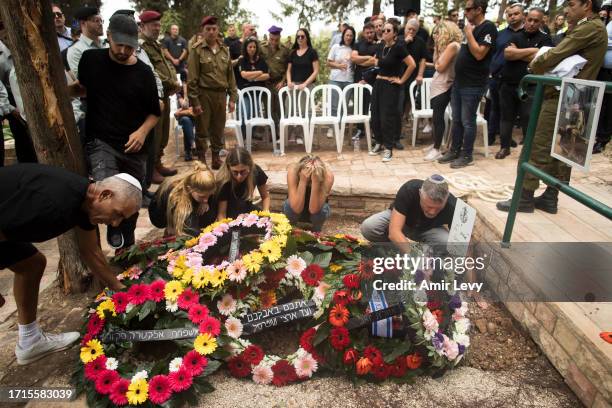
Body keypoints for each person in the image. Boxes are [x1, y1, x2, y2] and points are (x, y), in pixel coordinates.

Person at [0, 163, 140, 364]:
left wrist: (120, 289)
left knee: (32, 265)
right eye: (117, 214)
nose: (115, 223)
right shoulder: (53, 203)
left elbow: (90, 250)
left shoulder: (84, 201)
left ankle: (30, 341)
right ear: (105, 195)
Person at [497, 0, 607, 214]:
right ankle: (550, 197)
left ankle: (525, 196)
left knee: (540, 144)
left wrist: (536, 63)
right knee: (563, 150)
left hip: (563, 95)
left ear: (587, 5)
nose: (566, 9)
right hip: (577, 94)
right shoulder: (591, 27)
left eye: (572, 4)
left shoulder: (590, 27)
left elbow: (557, 53)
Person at [71, 14, 161, 249]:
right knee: (108, 189)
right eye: (118, 44)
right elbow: (83, 89)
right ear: (108, 37)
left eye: (129, 47)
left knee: (131, 198)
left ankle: (126, 241)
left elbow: (155, 112)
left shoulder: (143, 73)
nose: (123, 51)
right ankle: (106, 235)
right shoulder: (90, 60)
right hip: (101, 140)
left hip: (135, 146)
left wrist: (141, 132)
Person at [438, 0, 497, 168]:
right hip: (460, 82)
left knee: (467, 121)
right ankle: (454, 150)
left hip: (474, 84)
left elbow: (479, 54)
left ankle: (467, 155)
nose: (465, 12)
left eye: (468, 9)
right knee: (456, 119)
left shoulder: (488, 28)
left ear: (479, 9)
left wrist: (469, 34)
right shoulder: (471, 27)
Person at [496, 7, 552, 159]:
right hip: (508, 84)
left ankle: (527, 151)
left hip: (531, 87)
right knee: (506, 118)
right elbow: (508, 54)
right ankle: (504, 147)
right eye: (530, 20)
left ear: (542, 22)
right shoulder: (516, 35)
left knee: (529, 118)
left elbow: (542, 60)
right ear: (526, 18)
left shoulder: (546, 39)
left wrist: (518, 53)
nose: (532, 23)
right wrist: (533, 52)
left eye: (536, 21)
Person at [187, 16, 238, 169]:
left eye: (214, 29)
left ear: (217, 31)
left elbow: (231, 76)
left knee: (218, 128)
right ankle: (202, 159)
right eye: (208, 29)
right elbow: (192, 78)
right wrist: (194, 101)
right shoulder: (196, 50)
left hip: (221, 95)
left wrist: (232, 98)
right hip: (204, 94)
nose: (211, 32)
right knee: (202, 129)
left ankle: (216, 158)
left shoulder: (224, 50)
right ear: (202, 31)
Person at [139, 11, 180, 185]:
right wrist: (171, 83)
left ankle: (158, 162)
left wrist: (172, 83)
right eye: (153, 25)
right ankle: (152, 169)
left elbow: (166, 66)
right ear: (142, 26)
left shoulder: (155, 45)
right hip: (153, 97)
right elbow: (149, 72)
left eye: (158, 25)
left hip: (165, 94)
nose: (157, 28)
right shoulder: (141, 46)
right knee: (155, 134)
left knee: (163, 133)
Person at [360, 175, 456, 246]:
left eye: (438, 208)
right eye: (429, 206)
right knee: (369, 226)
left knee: (447, 243)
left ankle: (427, 255)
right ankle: (393, 249)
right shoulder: (409, 189)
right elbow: (394, 231)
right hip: (403, 221)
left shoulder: (456, 207)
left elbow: (463, 246)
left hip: (429, 229)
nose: (432, 212)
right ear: (420, 194)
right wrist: (413, 257)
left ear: (446, 199)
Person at [368, 21, 416, 162]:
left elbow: (412, 65)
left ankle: (388, 148)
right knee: (375, 115)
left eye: (388, 30)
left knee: (386, 117)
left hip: (390, 85)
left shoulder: (399, 47)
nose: (384, 32)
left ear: (395, 33)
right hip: (378, 83)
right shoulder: (381, 46)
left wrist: (401, 80)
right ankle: (379, 143)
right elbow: (376, 62)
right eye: (383, 30)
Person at [487, 3, 526, 147]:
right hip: (496, 78)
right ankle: (491, 136)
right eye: (509, 15)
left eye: (516, 14)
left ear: (523, 15)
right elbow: (491, 54)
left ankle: (507, 139)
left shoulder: (527, 35)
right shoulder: (500, 34)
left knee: (511, 113)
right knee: (494, 109)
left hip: (518, 80)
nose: (512, 17)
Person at [425, 21, 463, 161]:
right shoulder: (445, 47)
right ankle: (436, 144)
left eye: (437, 33)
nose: (435, 36)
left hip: (444, 84)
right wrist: (437, 47)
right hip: (440, 84)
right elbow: (437, 62)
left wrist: (438, 56)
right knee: (436, 117)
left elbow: (439, 67)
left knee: (438, 117)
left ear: (446, 33)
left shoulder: (453, 46)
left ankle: (437, 149)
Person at [149, 161, 217, 236]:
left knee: (209, 213)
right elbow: (189, 231)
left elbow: (206, 196)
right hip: (159, 214)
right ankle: (170, 229)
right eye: (202, 196)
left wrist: (203, 202)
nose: (206, 200)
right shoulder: (176, 195)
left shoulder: (197, 186)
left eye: (208, 195)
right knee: (187, 232)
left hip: (184, 198)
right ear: (190, 189)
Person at [216, 147, 270, 219]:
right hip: (230, 215)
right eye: (235, 172)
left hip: (247, 209)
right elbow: (221, 214)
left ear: (250, 167)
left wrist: (266, 212)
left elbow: (265, 196)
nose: (239, 176)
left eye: (243, 172)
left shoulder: (256, 171)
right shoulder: (224, 181)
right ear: (229, 168)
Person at [283, 155, 334, 232]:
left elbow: (314, 209)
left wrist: (315, 182)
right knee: (288, 205)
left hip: (316, 209)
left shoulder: (328, 176)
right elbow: (296, 208)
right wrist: (303, 181)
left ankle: (316, 231)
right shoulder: (293, 172)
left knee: (323, 209)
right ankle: (290, 227)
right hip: (297, 206)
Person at [286, 28, 320, 144]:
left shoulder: (312, 52)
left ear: (307, 38)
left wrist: (305, 84)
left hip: (307, 86)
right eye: (298, 36)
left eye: (302, 36)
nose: (300, 38)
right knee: (289, 109)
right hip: (294, 85)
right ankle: (290, 134)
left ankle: (301, 135)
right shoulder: (292, 53)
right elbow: (288, 70)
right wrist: (289, 81)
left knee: (304, 111)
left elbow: (316, 71)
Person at [399, 19, 428, 150]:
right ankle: (397, 128)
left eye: (414, 30)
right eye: (409, 29)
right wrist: (405, 42)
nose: (411, 32)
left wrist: (420, 74)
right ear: (405, 27)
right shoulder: (398, 39)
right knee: (397, 103)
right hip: (398, 75)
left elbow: (423, 59)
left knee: (408, 102)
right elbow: (394, 54)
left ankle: (403, 123)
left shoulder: (420, 42)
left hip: (413, 77)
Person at [237, 37, 270, 138]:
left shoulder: (261, 60)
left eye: (254, 47)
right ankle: (243, 137)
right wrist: (259, 72)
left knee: (254, 115)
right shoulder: (242, 60)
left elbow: (267, 75)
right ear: (246, 48)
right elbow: (243, 74)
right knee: (245, 114)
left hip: (257, 93)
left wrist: (252, 78)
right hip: (245, 93)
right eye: (250, 47)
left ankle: (252, 136)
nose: (252, 49)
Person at [350, 22, 377, 141]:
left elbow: (375, 61)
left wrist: (360, 61)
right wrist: (367, 58)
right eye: (367, 33)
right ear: (364, 33)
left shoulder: (378, 45)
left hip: (372, 78)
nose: (369, 34)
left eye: (371, 32)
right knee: (359, 104)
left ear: (374, 32)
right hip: (358, 78)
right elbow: (353, 58)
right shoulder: (357, 44)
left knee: (371, 105)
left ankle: (372, 130)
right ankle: (360, 130)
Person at [261, 25, 290, 134]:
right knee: (268, 109)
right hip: (265, 83)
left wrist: (283, 81)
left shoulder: (285, 50)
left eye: (276, 40)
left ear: (279, 37)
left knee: (279, 108)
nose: (273, 42)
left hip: (279, 83)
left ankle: (280, 132)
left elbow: (289, 67)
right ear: (269, 37)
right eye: (272, 39)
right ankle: (270, 132)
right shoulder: (261, 48)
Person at [594, 0, 612, 153]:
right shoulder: (606, 23)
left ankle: (603, 138)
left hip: (610, 73)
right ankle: (597, 134)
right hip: (601, 70)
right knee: (599, 104)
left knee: (608, 107)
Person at [327, 26, 356, 117]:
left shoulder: (354, 49)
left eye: (351, 35)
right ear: (343, 36)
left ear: (353, 37)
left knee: (344, 106)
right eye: (347, 35)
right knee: (334, 106)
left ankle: (341, 128)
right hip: (335, 80)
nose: (349, 37)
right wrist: (338, 66)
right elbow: (328, 63)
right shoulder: (336, 47)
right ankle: (333, 128)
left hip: (349, 80)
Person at [174, 91, 196, 161]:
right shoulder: (179, 92)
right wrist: (185, 93)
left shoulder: (195, 89)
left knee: (187, 122)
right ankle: (192, 144)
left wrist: (179, 112)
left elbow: (195, 109)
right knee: (186, 120)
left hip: (195, 117)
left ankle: (188, 151)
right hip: (183, 118)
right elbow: (184, 105)